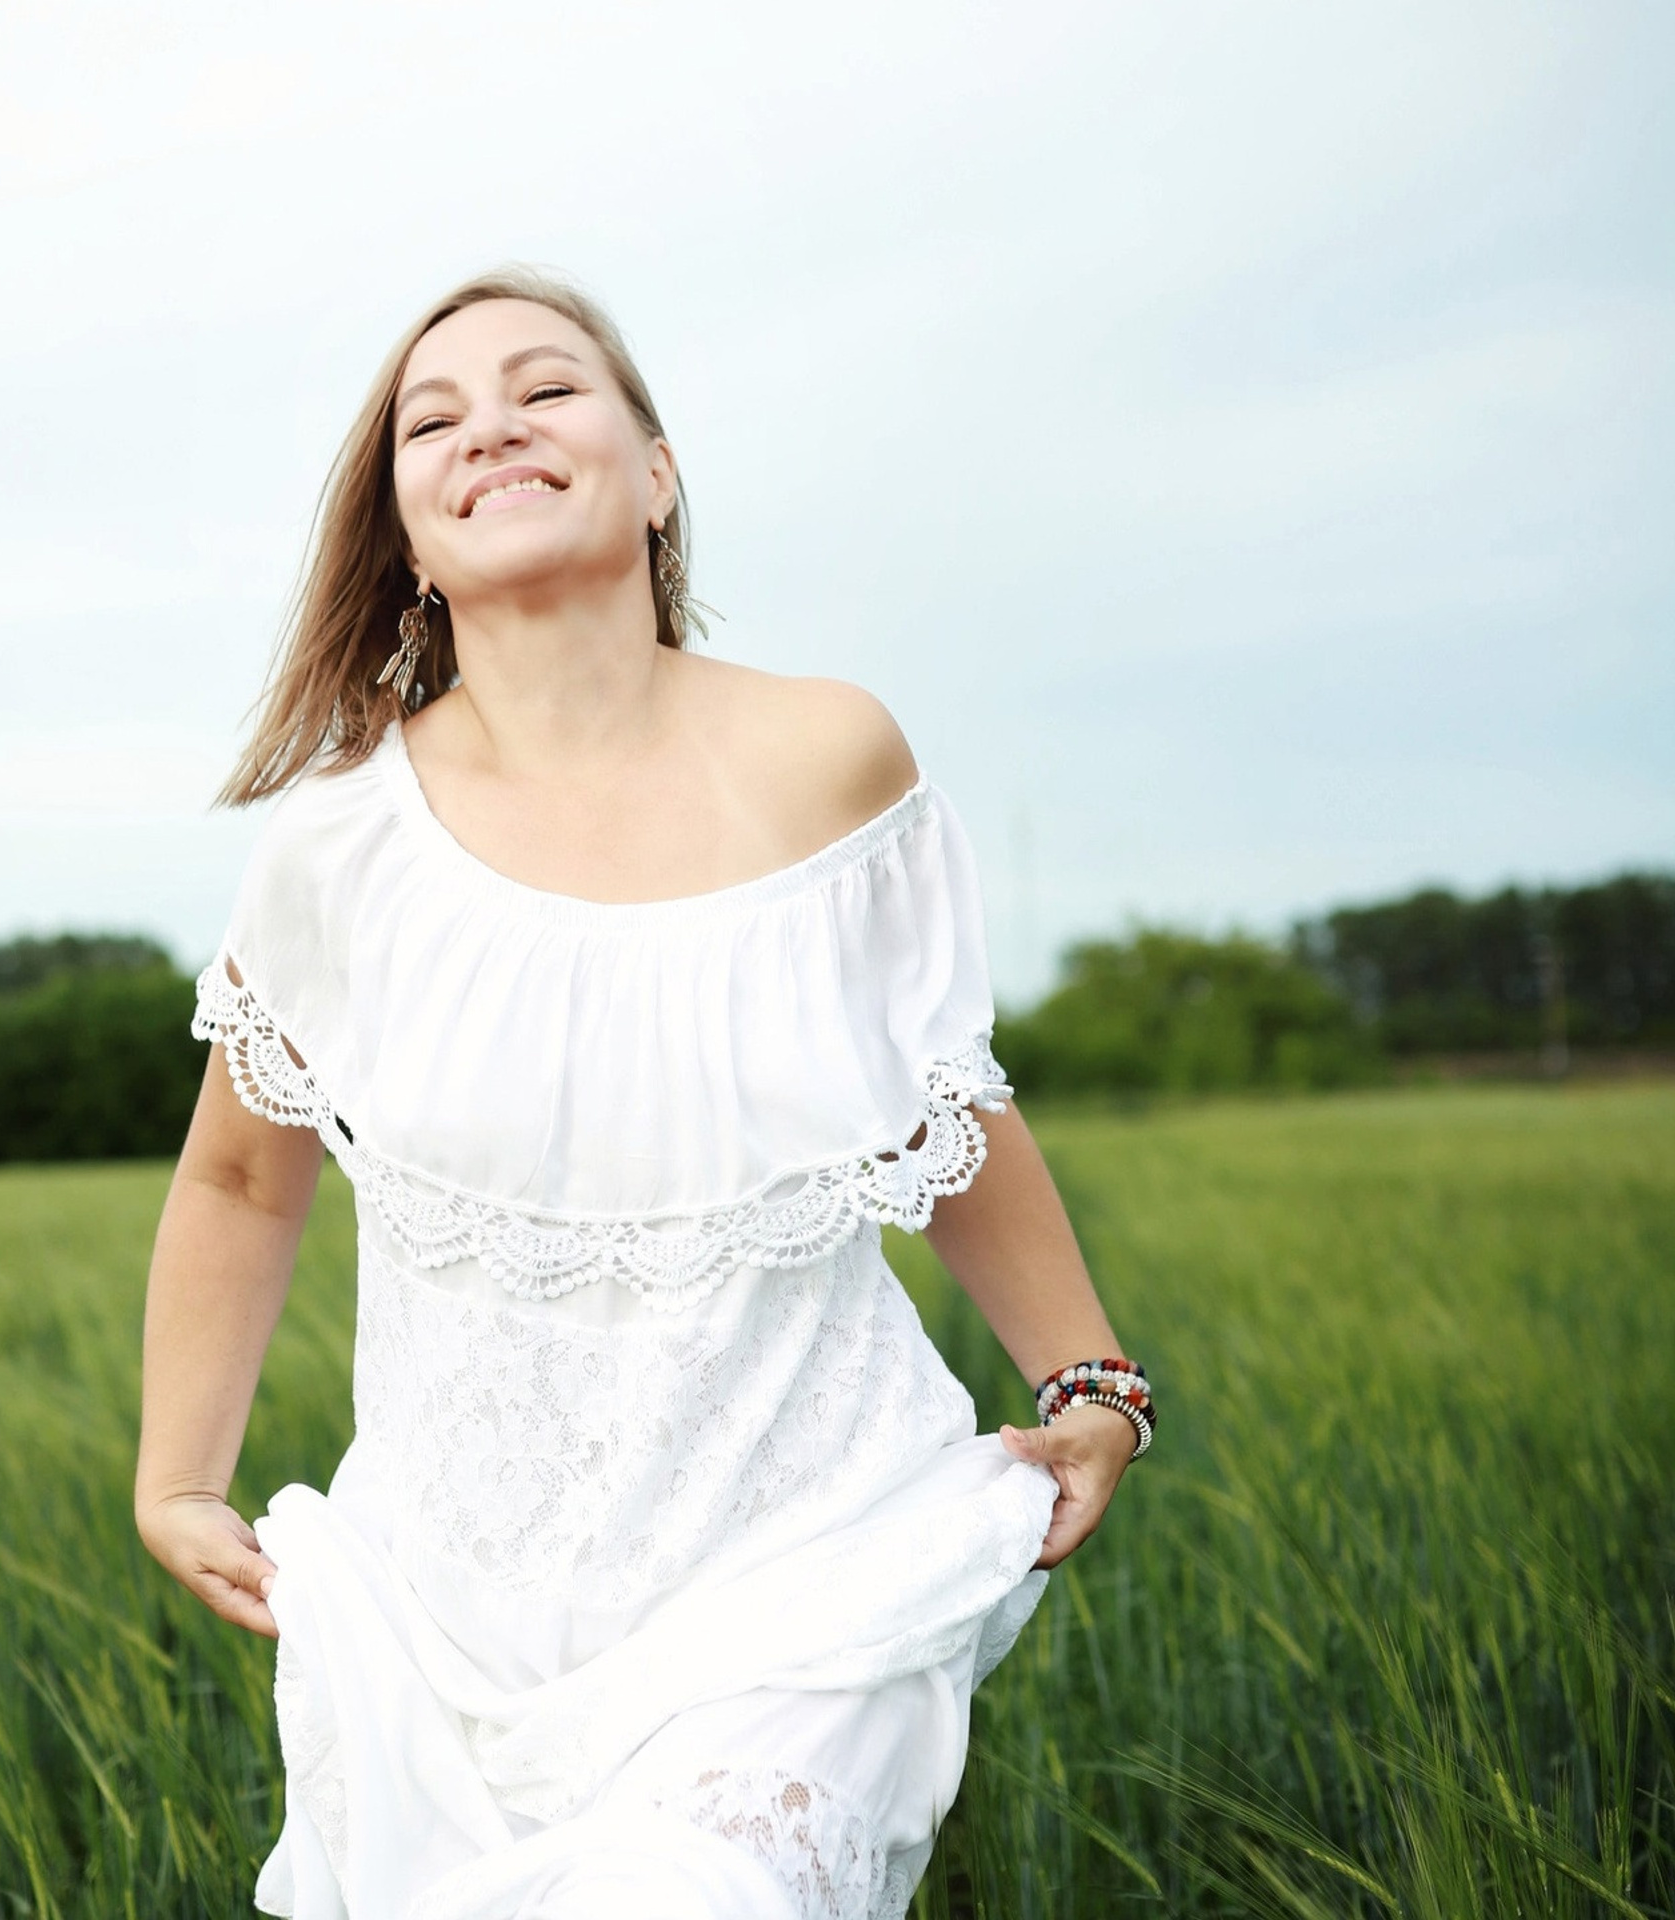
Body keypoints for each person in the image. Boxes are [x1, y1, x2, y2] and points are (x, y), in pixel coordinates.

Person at [135, 265, 1151, 1920]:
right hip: (452, 1625)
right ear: (403, 527)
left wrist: (1095, 1377)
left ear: (658, 470)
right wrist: (179, 1470)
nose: (493, 430)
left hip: (801, 1577)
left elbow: (941, 1111)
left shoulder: (830, 758)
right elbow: (243, 1180)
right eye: (434, 418)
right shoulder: (338, 843)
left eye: (547, 390)